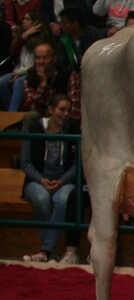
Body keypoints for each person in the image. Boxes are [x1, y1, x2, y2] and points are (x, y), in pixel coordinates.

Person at [21, 93, 80, 264]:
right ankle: (51, 251)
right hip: (37, 180)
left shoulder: (73, 129)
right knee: (41, 197)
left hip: (64, 181)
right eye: (62, 109)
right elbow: (25, 162)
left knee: (63, 199)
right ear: (50, 110)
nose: (66, 114)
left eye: (69, 110)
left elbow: (77, 165)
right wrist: (41, 180)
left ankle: (45, 251)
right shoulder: (34, 127)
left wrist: (62, 181)